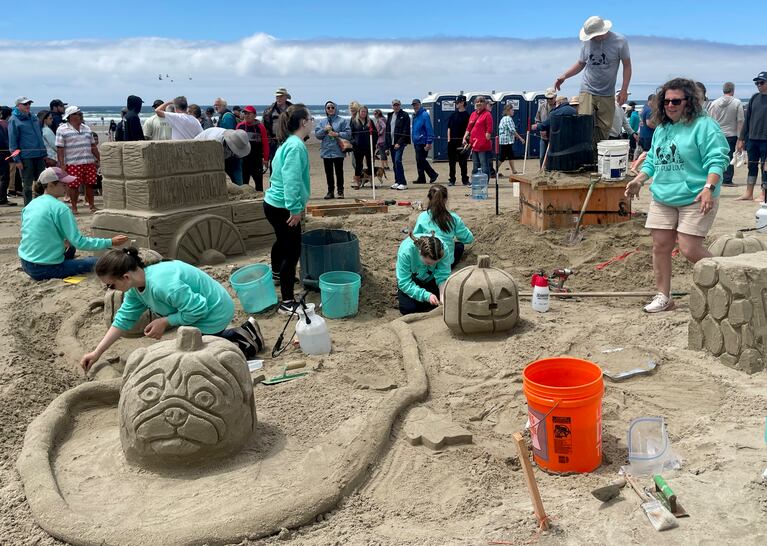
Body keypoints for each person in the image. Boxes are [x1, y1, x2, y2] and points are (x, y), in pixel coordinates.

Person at [624, 77, 729, 313]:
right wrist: (639, 179)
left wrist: (708, 188)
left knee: (690, 248)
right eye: (666, 101)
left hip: (696, 195)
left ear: (688, 102)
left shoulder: (704, 125)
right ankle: (664, 296)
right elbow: (653, 159)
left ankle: (728, 279)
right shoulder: (662, 129)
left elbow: (717, 158)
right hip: (663, 196)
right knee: (660, 245)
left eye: (676, 101)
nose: (670, 105)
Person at [80, 247, 264, 371]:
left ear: (126, 277)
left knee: (197, 363)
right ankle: (240, 333)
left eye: (111, 285)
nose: (110, 290)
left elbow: (198, 308)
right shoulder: (136, 288)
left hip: (214, 311)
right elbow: (123, 320)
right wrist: (97, 353)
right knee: (184, 350)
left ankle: (243, 340)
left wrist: (165, 321)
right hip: (196, 312)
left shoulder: (162, 284)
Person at [18, 167, 127, 281]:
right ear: (50, 185)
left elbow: (34, 232)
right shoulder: (60, 208)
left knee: (71, 247)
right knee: (97, 262)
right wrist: (110, 242)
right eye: (63, 184)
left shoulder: (31, 204)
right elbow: (80, 242)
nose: (67, 187)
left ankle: (63, 261)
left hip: (26, 262)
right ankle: (63, 265)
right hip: (44, 268)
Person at [263, 104, 313, 315]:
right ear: (303, 122)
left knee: (282, 243)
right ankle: (287, 301)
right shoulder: (295, 146)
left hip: (274, 204)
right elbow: (291, 179)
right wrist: (295, 209)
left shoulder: (289, 143)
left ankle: (276, 274)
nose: (312, 121)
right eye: (310, 118)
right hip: (283, 206)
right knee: (291, 253)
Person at [554, 15, 631, 148]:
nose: (592, 38)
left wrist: (624, 90)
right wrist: (564, 76)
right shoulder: (587, 43)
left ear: (603, 31)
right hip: (587, 88)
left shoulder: (620, 41)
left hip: (607, 92)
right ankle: (584, 155)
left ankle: (596, 156)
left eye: (594, 35)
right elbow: (580, 63)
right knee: (584, 122)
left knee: (605, 128)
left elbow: (627, 66)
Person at [413, 184, 474, 268]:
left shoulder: (422, 216)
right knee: (459, 246)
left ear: (429, 198)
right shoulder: (453, 218)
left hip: (426, 259)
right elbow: (468, 238)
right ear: (445, 199)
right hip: (445, 262)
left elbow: (416, 237)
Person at [56, 105, 100, 213]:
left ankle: (91, 205)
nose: (81, 116)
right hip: (73, 162)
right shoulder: (62, 129)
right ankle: (74, 207)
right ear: (71, 116)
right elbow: (60, 149)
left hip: (88, 161)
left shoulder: (86, 128)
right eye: (78, 114)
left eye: (81, 114)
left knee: (90, 184)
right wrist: (62, 164)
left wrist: (99, 158)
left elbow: (93, 146)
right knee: (73, 186)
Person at [396, 232, 449, 315]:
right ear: (420, 252)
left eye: (435, 263)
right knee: (408, 309)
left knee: (446, 299)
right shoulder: (406, 252)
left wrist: (442, 294)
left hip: (431, 278)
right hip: (412, 279)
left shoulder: (443, 249)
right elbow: (404, 282)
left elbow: (443, 275)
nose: (432, 265)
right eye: (428, 263)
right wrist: (426, 296)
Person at [9, 97, 47, 205]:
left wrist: (44, 153)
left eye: (29, 104)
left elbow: (40, 136)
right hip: (26, 157)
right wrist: (17, 160)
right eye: (25, 104)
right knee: (27, 185)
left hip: (39, 156)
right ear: (18, 106)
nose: (28, 106)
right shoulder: (13, 120)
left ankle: (40, 205)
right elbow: (12, 142)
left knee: (41, 183)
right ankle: (28, 207)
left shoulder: (33, 117)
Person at [736, 71, 767, 201]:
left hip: (766, 140)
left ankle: (764, 194)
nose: (758, 85)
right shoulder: (754, 98)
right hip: (752, 139)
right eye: (757, 83)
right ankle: (748, 193)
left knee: (765, 167)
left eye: (761, 82)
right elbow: (747, 120)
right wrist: (741, 138)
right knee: (751, 166)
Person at [707, 82, 744, 187]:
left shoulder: (714, 103)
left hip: (717, 133)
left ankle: (717, 178)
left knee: (717, 156)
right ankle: (727, 180)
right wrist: (740, 136)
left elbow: (710, 119)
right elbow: (740, 120)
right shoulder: (737, 102)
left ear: (723, 90)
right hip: (731, 134)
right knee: (729, 156)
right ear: (733, 90)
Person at [314, 100, 351, 200]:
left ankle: (340, 192)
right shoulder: (322, 122)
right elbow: (317, 135)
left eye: (332, 107)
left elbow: (349, 134)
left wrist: (337, 134)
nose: (330, 109)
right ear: (325, 110)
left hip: (338, 150)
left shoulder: (342, 121)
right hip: (326, 151)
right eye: (328, 108)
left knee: (339, 172)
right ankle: (330, 192)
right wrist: (324, 130)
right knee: (329, 173)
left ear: (336, 108)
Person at [236, 106, 269, 192]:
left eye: (249, 113)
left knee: (259, 185)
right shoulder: (240, 126)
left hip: (256, 160)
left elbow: (265, 144)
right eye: (245, 113)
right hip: (244, 160)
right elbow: (235, 143)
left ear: (254, 115)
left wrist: (266, 158)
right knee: (244, 185)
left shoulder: (260, 127)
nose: (247, 115)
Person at [463, 96, 493, 177]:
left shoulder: (487, 114)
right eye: (477, 102)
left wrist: (487, 134)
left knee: (484, 165)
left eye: (481, 101)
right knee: (475, 166)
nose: (479, 103)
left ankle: (485, 182)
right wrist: (464, 137)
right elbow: (469, 127)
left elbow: (489, 128)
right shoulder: (473, 114)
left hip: (483, 145)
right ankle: (475, 181)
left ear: (484, 104)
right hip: (474, 144)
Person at [411, 98, 438, 185]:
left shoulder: (424, 115)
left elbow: (429, 129)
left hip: (423, 141)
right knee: (419, 161)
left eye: (417, 104)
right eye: (414, 105)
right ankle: (421, 178)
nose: (415, 106)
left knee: (421, 160)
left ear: (420, 104)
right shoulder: (415, 115)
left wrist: (429, 142)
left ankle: (433, 174)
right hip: (416, 141)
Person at [350, 105, 378, 190]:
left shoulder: (370, 122)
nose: (363, 113)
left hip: (369, 147)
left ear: (367, 113)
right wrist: (353, 142)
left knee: (370, 164)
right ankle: (357, 183)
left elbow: (375, 134)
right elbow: (350, 133)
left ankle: (371, 183)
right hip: (357, 147)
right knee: (358, 165)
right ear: (359, 112)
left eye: (365, 112)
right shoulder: (354, 121)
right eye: (362, 111)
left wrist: (374, 143)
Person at [263, 88, 293, 165]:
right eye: (277, 96)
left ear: (286, 97)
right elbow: (264, 127)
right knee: (274, 164)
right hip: (274, 141)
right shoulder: (269, 111)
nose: (278, 98)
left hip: (289, 140)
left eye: (281, 96)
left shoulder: (293, 110)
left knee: (289, 163)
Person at [386, 99, 411, 190]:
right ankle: (397, 181)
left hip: (400, 143)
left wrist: (399, 143)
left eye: (397, 105)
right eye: (394, 105)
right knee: (394, 163)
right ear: (392, 106)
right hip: (391, 143)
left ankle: (403, 182)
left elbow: (406, 131)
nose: (396, 107)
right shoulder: (390, 115)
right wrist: (387, 146)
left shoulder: (404, 115)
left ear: (400, 105)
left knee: (397, 161)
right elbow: (387, 132)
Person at [446, 95, 470, 186]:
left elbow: (469, 129)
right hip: (451, 143)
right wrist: (448, 139)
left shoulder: (467, 115)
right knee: (451, 163)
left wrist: (466, 140)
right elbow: (449, 128)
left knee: (463, 162)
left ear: (462, 103)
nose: (456, 104)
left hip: (462, 142)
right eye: (456, 102)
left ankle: (465, 179)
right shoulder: (453, 115)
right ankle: (452, 179)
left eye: (458, 102)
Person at [498, 103, 525, 175]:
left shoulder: (503, 119)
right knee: (502, 157)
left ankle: (513, 170)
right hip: (506, 141)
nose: (513, 111)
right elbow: (512, 130)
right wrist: (520, 138)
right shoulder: (508, 119)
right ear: (508, 110)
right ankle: (494, 170)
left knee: (510, 155)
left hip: (504, 140)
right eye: (512, 110)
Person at [533, 88, 557, 165]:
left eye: (551, 98)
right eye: (547, 98)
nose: (549, 100)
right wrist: (541, 130)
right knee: (542, 156)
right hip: (543, 137)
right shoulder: (541, 106)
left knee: (553, 157)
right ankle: (541, 173)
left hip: (554, 137)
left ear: (555, 97)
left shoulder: (558, 107)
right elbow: (537, 120)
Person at [0, 106, 18, 206]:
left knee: (5, 176)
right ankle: (2, 199)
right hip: (3, 154)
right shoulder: (4, 124)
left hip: (4, 153)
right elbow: (4, 140)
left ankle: (3, 197)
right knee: (4, 176)